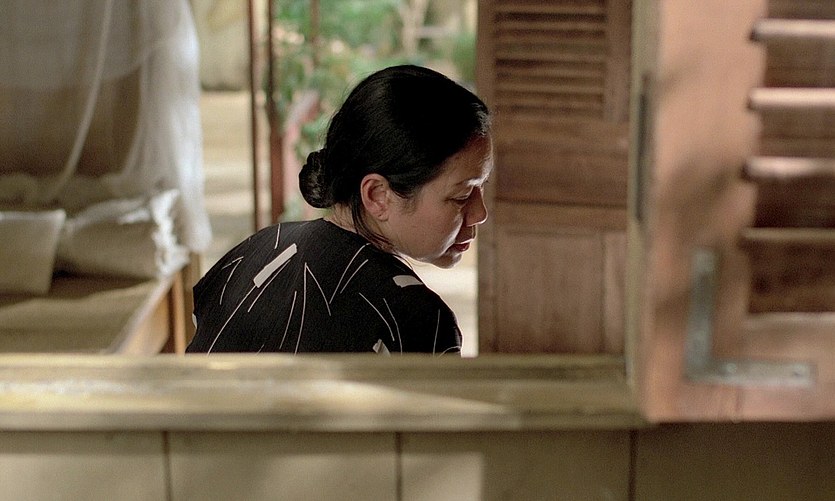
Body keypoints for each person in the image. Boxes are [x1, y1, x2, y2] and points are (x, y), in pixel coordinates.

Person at [186, 64, 492, 355]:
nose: (480, 213)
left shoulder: (247, 255)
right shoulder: (416, 318)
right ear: (377, 195)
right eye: (462, 195)